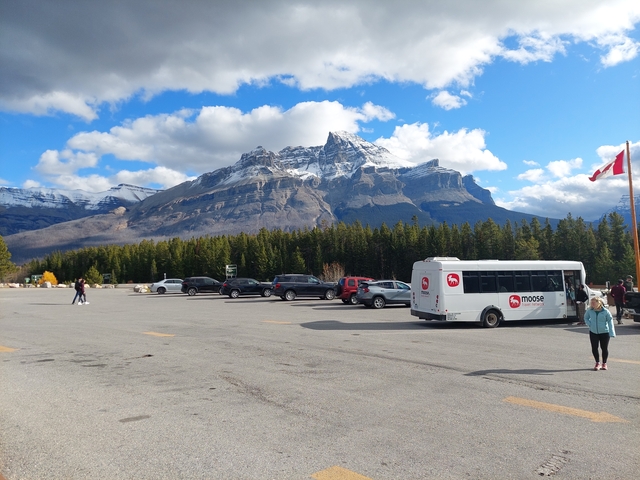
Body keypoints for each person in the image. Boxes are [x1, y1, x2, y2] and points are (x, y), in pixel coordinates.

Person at [583, 297, 616, 370]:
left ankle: (604, 363)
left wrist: (611, 332)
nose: (592, 304)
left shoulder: (605, 311)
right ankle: (597, 363)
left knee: (604, 348)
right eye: (591, 303)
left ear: (599, 303)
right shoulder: (590, 311)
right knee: (594, 348)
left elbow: (610, 321)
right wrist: (590, 324)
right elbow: (586, 318)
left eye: (594, 302)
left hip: (604, 332)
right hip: (593, 332)